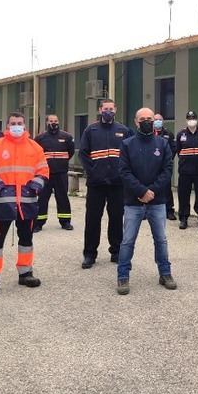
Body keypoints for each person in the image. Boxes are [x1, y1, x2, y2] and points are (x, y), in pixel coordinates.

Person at [0, 112, 49, 298]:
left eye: (19, 123)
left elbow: (43, 169)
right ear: (7, 126)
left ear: (25, 125)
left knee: (26, 240)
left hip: (27, 202)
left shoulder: (35, 147)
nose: (16, 126)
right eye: (13, 123)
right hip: (2, 202)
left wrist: (37, 184)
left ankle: (25, 273)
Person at [116, 107, 176, 295]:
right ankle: (123, 276)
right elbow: (124, 171)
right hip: (133, 201)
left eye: (150, 118)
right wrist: (141, 191)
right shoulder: (127, 144)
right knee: (127, 241)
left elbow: (167, 170)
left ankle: (165, 273)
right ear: (136, 122)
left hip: (157, 201)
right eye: (143, 119)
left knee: (161, 240)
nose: (147, 121)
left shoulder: (163, 144)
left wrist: (152, 191)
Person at [79, 99, 132, 268]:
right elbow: (83, 154)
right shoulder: (91, 130)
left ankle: (116, 251)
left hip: (117, 184)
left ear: (115, 110)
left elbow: (129, 156)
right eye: (105, 108)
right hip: (96, 184)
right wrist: (93, 172)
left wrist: (123, 174)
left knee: (116, 218)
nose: (108, 111)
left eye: (111, 108)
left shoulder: (123, 130)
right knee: (93, 219)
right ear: (100, 110)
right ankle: (89, 254)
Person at [33, 114, 75, 232]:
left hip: (61, 173)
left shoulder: (66, 137)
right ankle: (38, 223)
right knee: (42, 198)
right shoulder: (40, 138)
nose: (54, 123)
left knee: (62, 197)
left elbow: (70, 152)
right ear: (47, 123)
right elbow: (35, 154)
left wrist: (61, 162)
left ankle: (65, 221)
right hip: (45, 174)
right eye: (51, 121)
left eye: (56, 121)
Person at [175, 110, 198, 229]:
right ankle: (183, 218)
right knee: (183, 195)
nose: (191, 120)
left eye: (193, 118)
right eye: (189, 118)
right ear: (186, 120)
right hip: (185, 171)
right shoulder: (181, 134)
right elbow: (179, 152)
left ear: (197, 119)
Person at [153, 113, 177, 220]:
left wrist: (167, 160)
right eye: (156, 119)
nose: (158, 121)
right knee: (150, 186)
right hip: (150, 166)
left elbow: (173, 149)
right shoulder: (149, 133)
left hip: (164, 166)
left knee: (166, 188)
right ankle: (147, 210)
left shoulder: (168, 134)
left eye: (160, 119)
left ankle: (169, 210)